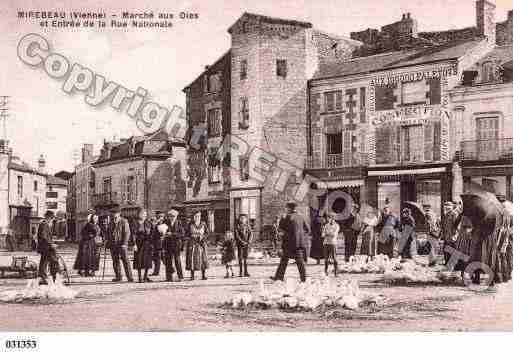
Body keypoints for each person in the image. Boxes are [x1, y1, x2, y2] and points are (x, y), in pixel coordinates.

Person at [270, 202, 310, 283]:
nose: (285, 209)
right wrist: (300, 236)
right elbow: (308, 230)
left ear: (289, 208)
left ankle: (279, 277)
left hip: (288, 243)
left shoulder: (287, 217)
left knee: (284, 261)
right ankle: (303, 279)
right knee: (300, 262)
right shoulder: (301, 217)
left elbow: (281, 228)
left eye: (286, 208)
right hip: (299, 243)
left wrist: (282, 218)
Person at [106, 207, 134, 282]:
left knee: (125, 260)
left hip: (121, 244)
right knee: (115, 261)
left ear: (118, 214)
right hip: (113, 245)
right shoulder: (110, 222)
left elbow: (127, 233)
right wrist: (108, 242)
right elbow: (108, 233)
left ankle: (130, 277)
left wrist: (124, 243)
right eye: (112, 213)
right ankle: (118, 276)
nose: (113, 215)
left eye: (114, 213)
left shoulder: (124, 221)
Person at [37, 210, 59, 285]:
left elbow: (46, 237)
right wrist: (51, 244)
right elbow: (44, 237)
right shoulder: (44, 224)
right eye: (51, 218)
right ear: (48, 217)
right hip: (45, 247)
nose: (51, 220)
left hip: (46, 246)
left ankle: (43, 277)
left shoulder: (44, 224)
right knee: (49, 261)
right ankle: (45, 277)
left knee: (44, 261)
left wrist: (52, 243)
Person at [185, 211, 209, 280]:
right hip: (193, 243)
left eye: (198, 216)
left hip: (201, 243)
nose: (197, 218)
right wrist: (191, 238)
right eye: (196, 216)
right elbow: (187, 234)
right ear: (193, 217)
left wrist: (203, 237)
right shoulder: (190, 224)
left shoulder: (203, 224)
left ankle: (203, 275)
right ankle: (192, 275)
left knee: (202, 258)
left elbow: (207, 233)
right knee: (192, 258)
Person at [163, 209, 185, 282]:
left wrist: (172, 234)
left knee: (177, 260)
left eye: (173, 216)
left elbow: (182, 234)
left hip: (176, 244)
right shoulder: (165, 223)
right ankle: (169, 277)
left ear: (176, 216)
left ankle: (180, 276)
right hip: (168, 244)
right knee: (168, 261)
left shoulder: (179, 223)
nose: (172, 217)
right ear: (168, 216)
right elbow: (162, 232)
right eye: (170, 216)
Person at [133, 209, 154, 283]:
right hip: (139, 244)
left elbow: (152, 233)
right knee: (139, 260)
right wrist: (134, 244)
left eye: (145, 214)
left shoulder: (148, 223)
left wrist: (152, 242)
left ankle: (145, 277)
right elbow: (133, 234)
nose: (144, 215)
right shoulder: (135, 223)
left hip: (147, 243)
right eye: (142, 214)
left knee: (147, 261)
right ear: (139, 214)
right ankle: (139, 278)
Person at [322, 212, 340, 276]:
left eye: (332, 218)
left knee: (334, 258)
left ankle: (336, 272)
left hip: (333, 243)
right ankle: (326, 271)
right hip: (326, 243)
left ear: (334, 219)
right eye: (329, 218)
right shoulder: (326, 225)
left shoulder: (337, 226)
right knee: (326, 259)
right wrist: (328, 234)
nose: (330, 219)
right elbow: (323, 234)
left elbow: (334, 234)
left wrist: (328, 233)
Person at [150, 211, 165, 276]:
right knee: (156, 258)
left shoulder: (166, 223)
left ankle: (171, 269)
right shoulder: (154, 223)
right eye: (158, 216)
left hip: (163, 243)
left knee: (163, 258)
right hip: (156, 243)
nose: (160, 218)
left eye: (161, 216)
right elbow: (152, 232)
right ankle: (156, 271)